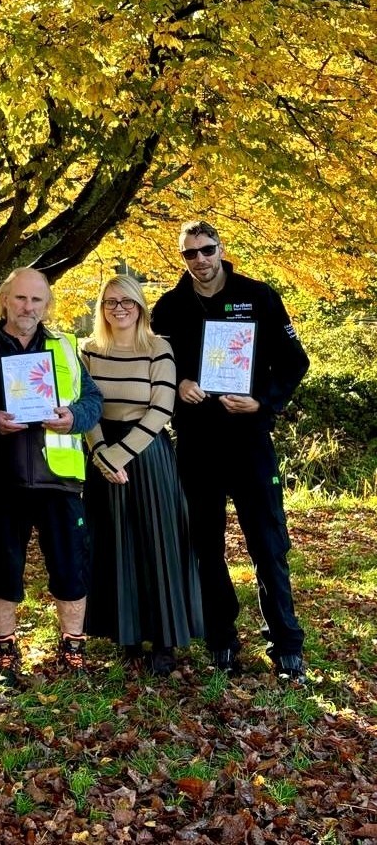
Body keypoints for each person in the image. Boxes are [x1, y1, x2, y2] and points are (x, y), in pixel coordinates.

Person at [151, 220, 310, 683]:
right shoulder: (169, 308)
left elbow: (295, 362)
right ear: (183, 257)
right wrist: (178, 384)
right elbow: (159, 367)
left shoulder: (258, 296)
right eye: (190, 253)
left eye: (207, 249)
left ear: (221, 249)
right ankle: (221, 639)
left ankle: (286, 645)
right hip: (197, 445)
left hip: (249, 441)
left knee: (268, 545)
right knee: (206, 547)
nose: (200, 259)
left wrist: (263, 400)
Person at [0, 267, 103, 685]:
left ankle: (73, 646)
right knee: (1, 568)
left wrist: (72, 417)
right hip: (1, 480)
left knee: (70, 567)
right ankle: (6, 650)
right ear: (5, 299)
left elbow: (93, 402)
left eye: (37, 301)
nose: (28, 307)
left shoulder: (65, 347)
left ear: (47, 305)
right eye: (21, 298)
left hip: (58, 478)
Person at [80, 274, 202, 674]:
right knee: (115, 543)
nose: (119, 309)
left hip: (147, 453)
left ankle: (165, 641)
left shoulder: (158, 347)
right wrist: (100, 451)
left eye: (127, 302)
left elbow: (162, 408)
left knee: (157, 544)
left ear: (140, 306)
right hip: (103, 454)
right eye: (111, 302)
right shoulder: (90, 351)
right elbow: (86, 406)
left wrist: (120, 453)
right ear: (102, 308)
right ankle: (127, 636)